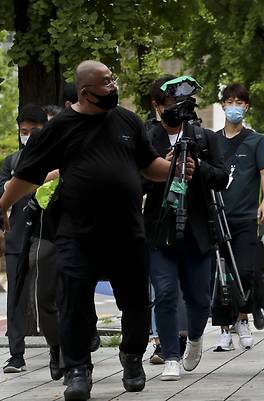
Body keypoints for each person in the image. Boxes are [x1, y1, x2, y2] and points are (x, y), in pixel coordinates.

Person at [0, 60, 193, 401]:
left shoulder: (128, 121)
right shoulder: (59, 128)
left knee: (134, 301)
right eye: (106, 83)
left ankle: (132, 357)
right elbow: (27, 176)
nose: (113, 86)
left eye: (112, 79)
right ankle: (78, 370)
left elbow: (151, 166)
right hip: (77, 233)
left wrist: (177, 167)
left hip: (127, 231)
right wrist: (1, 206)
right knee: (74, 303)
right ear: (87, 92)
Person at [143, 75, 229, 380]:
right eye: (168, 104)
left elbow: (222, 177)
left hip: (198, 229)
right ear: (156, 105)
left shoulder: (204, 138)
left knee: (198, 297)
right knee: (165, 292)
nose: (175, 109)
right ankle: (170, 354)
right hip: (158, 229)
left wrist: (199, 168)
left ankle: (194, 337)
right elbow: (131, 179)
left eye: (180, 103)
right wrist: (160, 170)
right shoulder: (145, 138)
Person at [212, 83, 264, 351]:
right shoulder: (211, 140)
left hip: (247, 217)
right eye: (229, 101)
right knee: (221, 276)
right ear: (222, 105)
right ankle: (225, 328)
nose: (234, 106)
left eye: (240, 101)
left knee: (245, 271)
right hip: (217, 217)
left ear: (246, 106)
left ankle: (243, 317)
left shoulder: (256, 140)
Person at [1, 104, 50, 375]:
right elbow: (3, 194)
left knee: (51, 293)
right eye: (23, 131)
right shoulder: (11, 162)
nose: (28, 136)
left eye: (34, 131)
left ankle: (59, 349)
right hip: (17, 235)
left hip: (49, 235)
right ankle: (15, 355)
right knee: (15, 298)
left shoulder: (57, 159)